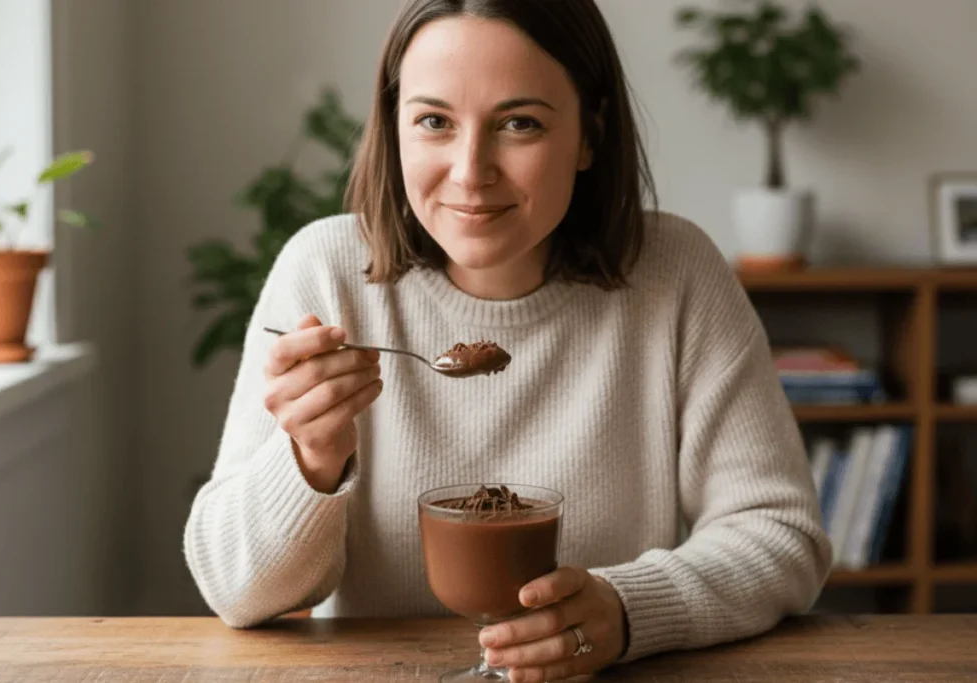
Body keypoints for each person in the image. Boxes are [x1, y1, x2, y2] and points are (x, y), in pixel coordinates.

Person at [183, 0, 833, 680]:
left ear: (590, 134)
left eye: (519, 123)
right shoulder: (325, 273)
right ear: (394, 127)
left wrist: (628, 609)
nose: (471, 170)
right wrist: (310, 458)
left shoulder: (675, 274)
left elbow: (779, 534)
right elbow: (236, 590)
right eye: (434, 121)